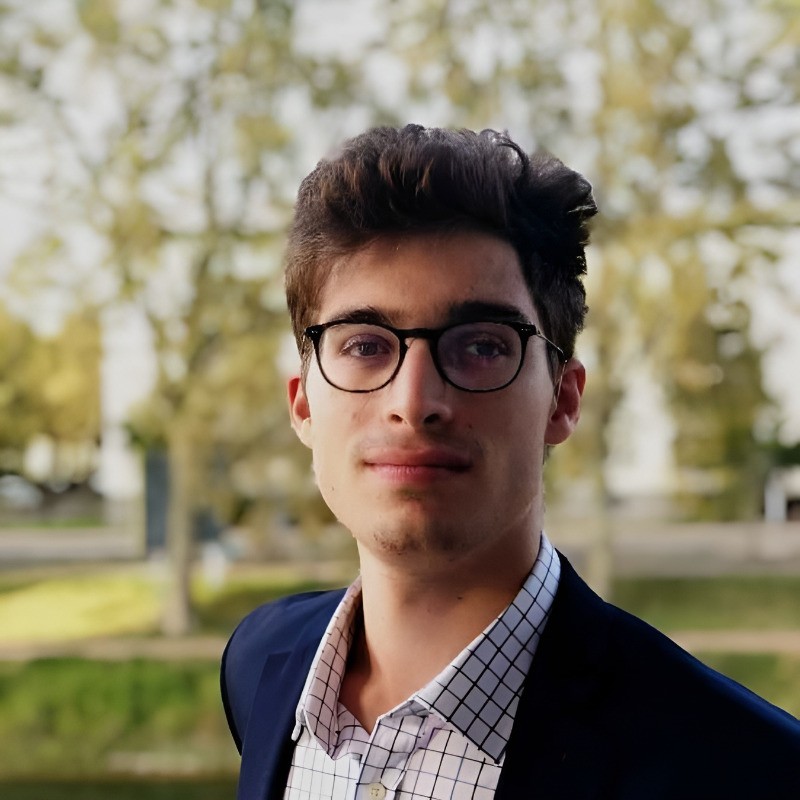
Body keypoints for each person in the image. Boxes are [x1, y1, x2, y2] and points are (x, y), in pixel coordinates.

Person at [221, 124, 800, 800]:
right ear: (302, 405)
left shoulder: (750, 771)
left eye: (481, 346)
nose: (414, 401)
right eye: (365, 345)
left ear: (563, 399)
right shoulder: (260, 667)